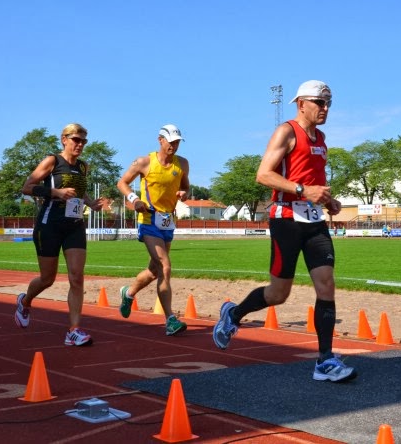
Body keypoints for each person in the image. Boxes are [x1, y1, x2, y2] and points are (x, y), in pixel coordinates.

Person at [212, 80, 357, 382]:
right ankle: (234, 314)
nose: (326, 108)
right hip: (286, 219)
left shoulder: (322, 138)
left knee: (326, 284)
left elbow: (314, 181)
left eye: (329, 103)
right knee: (278, 294)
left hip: (314, 221)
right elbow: (263, 175)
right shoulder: (286, 132)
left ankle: (325, 361)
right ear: (301, 103)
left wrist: (328, 200)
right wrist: (304, 190)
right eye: (320, 102)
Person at [15, 123, 105, 346]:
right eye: (76, 140)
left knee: (77, 277)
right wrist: (55, 192)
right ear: (64, 139)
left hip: (74, 225)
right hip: (50, 225)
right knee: (48, 279)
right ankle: (25, 301)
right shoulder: (52, 161)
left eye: (83, 141)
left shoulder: (83, 166)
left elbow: (80, 192)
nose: (80, 144)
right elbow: (27, 187)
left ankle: (73, 330)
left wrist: (91, 203)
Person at [116, 124, 190, 336]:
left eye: (177, 142)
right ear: (160, 140)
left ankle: (128, 293)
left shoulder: (182, 164)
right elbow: (122, 183)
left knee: (154, 271)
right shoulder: (144, 162)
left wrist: (184, 193)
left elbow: (185, 186)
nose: (174, 145)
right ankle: (170, 320)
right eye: (171, 141)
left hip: (167, 221)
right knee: (165, 267)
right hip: (148, 220)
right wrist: (135, 199)